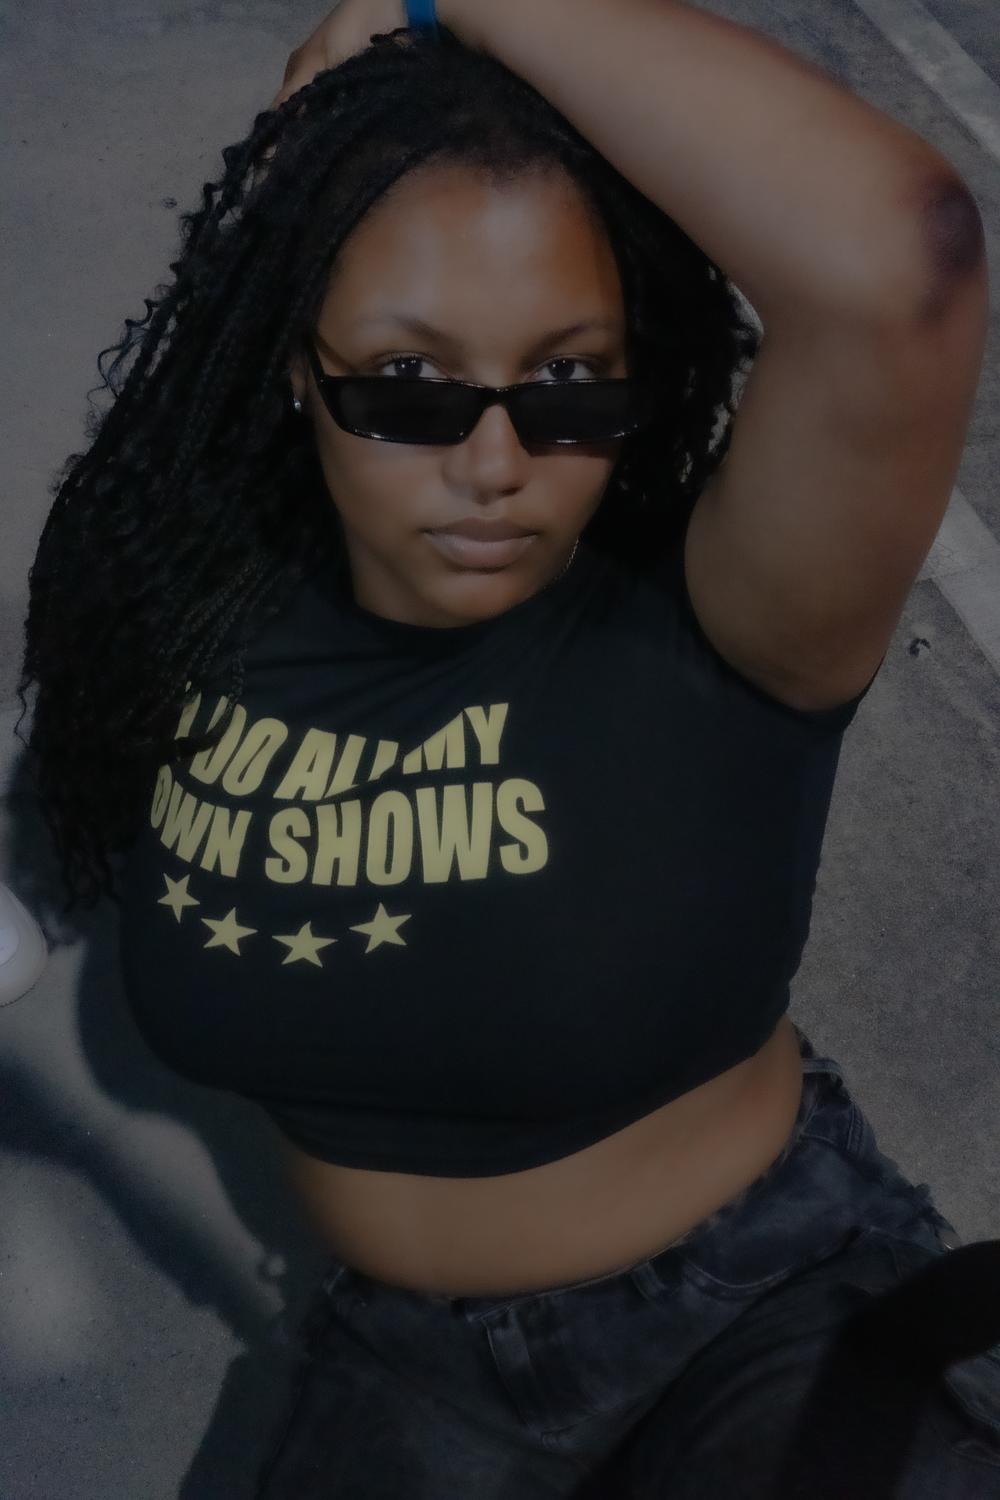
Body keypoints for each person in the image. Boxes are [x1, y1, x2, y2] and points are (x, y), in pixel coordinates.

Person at [16, 0, 998, 1494]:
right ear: (299, 370)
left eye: (568, 385)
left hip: (764, 1307)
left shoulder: (729, 620)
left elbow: (898, 258)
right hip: (408, 1365)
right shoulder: (187, 602)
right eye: (407, 387)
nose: (495, 462)